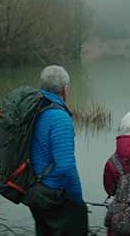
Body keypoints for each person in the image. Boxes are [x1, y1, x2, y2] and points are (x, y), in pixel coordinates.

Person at [30, 65, 88, 235]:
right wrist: (77, 200)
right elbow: (66, 167)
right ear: (64, 89)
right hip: (54, 195)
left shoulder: (35, 109)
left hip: (35, 191)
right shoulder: (59, 118)